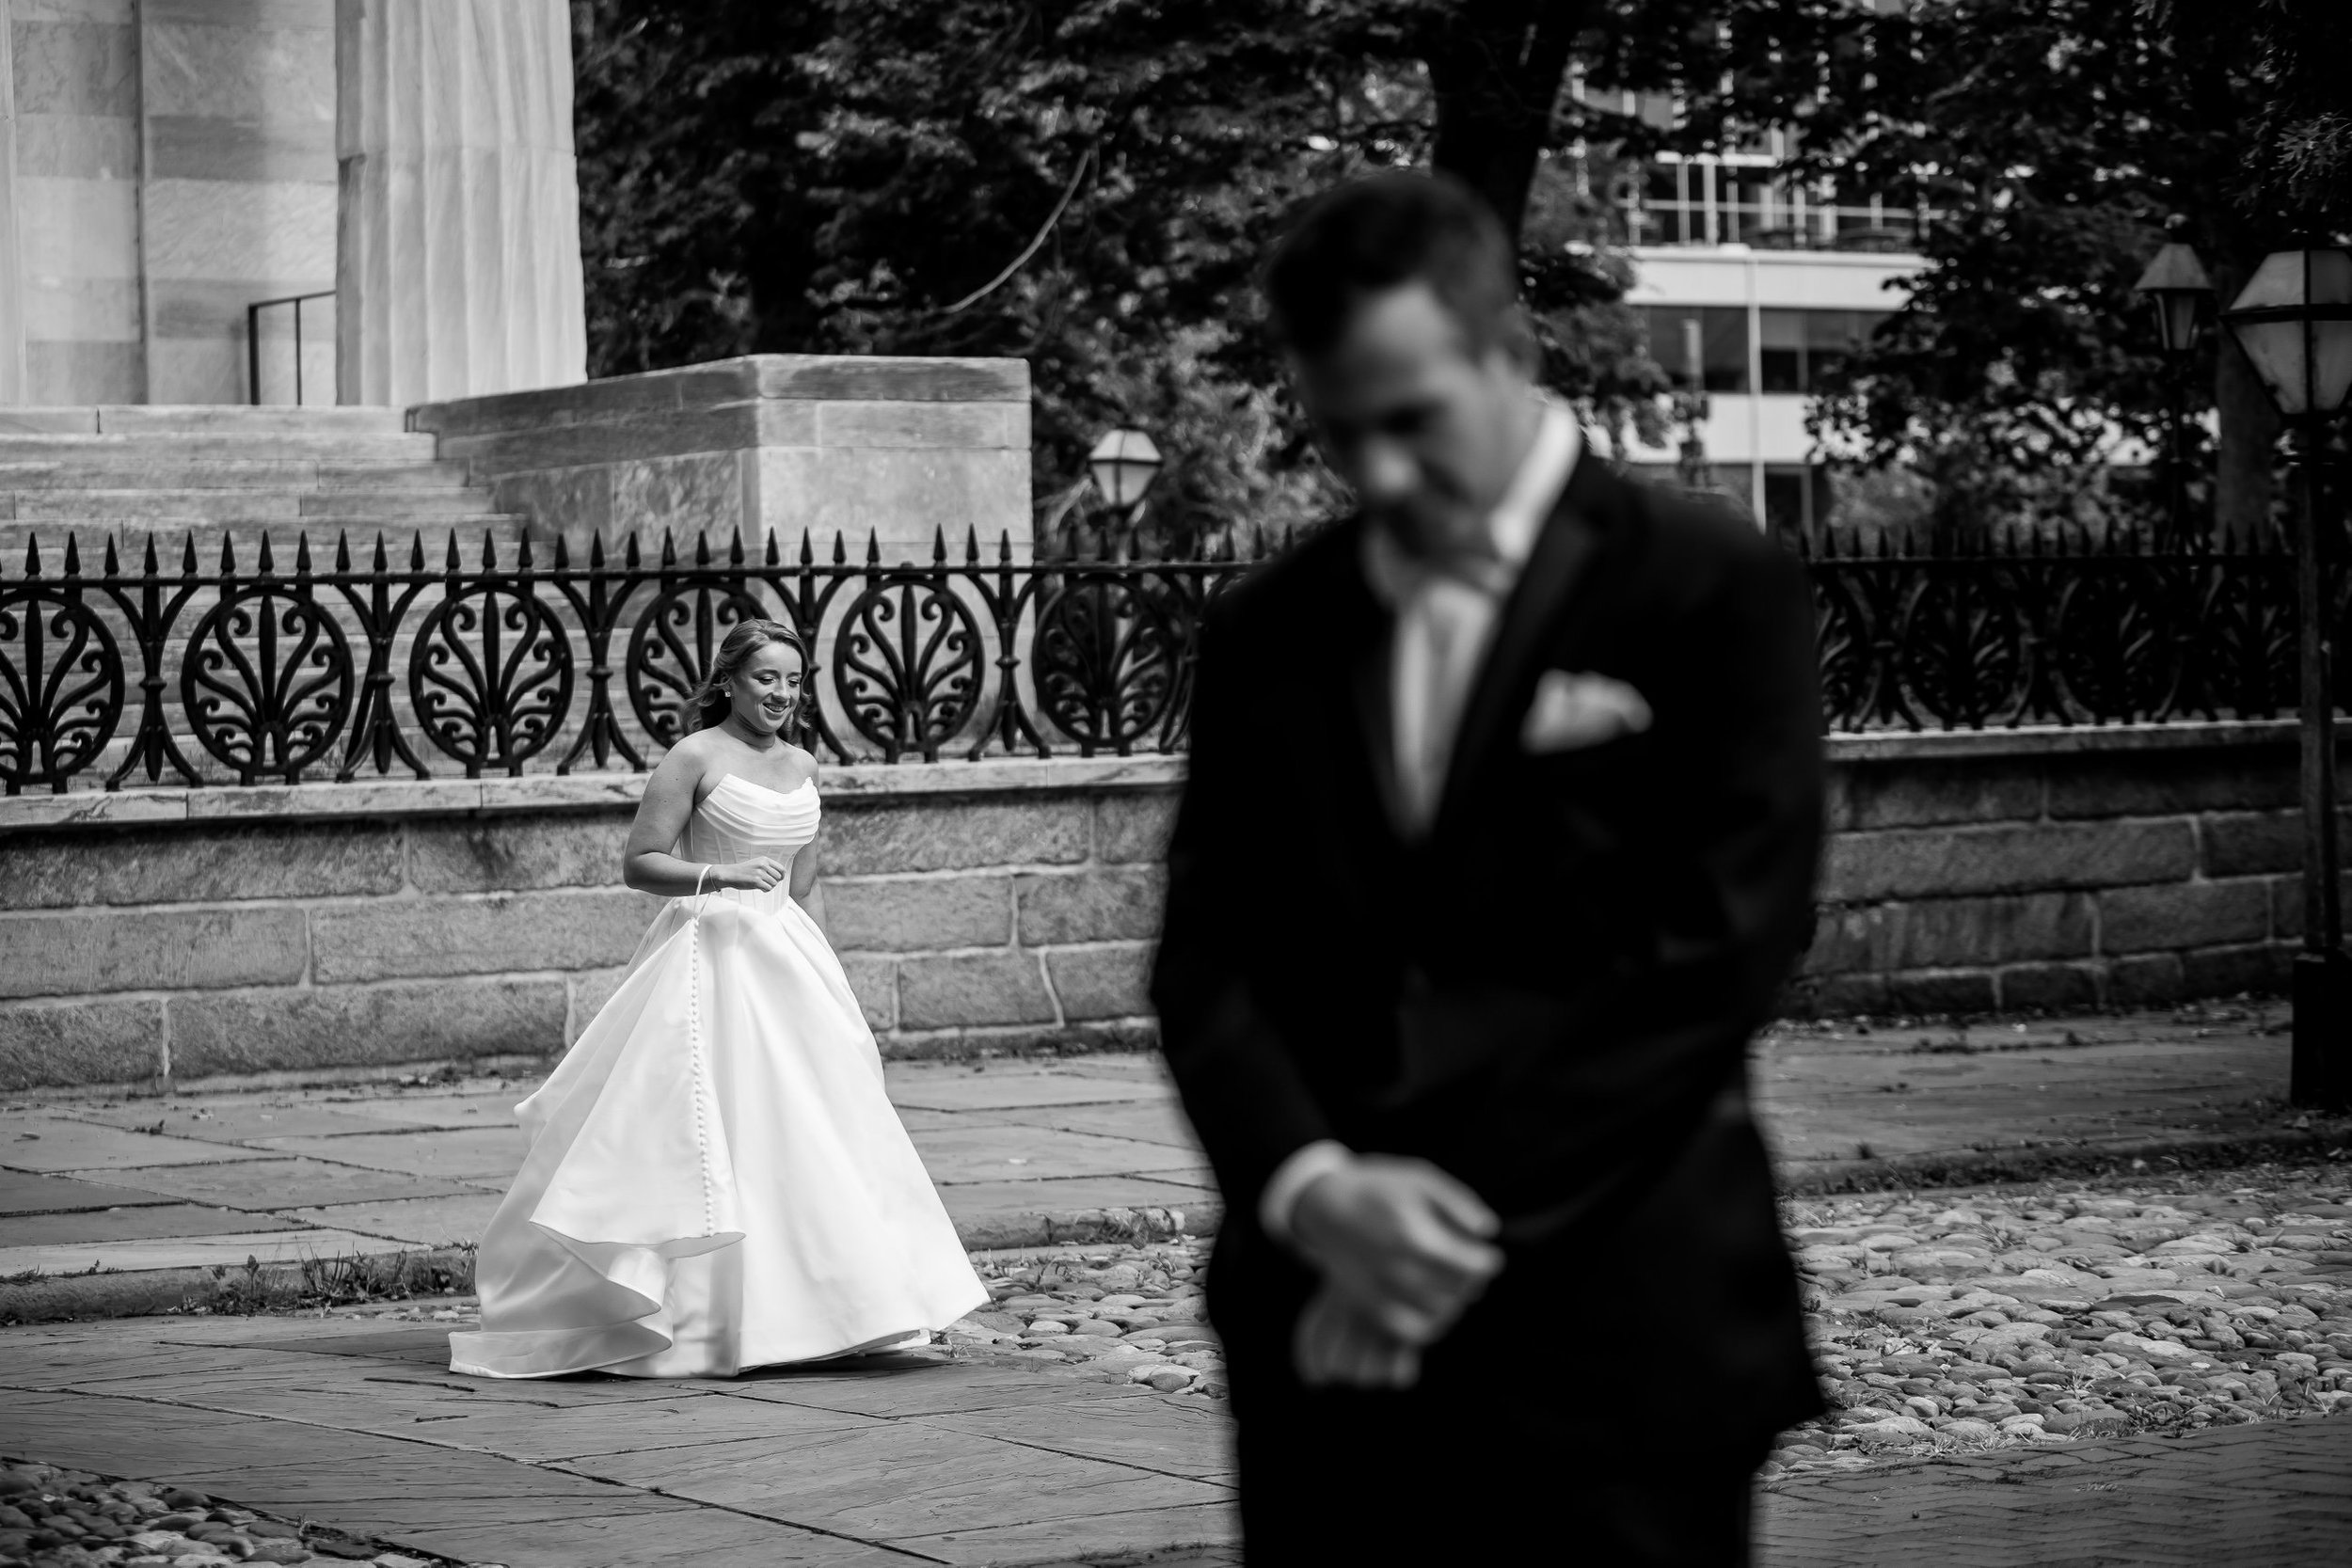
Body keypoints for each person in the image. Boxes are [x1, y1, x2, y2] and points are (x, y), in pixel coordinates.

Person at [1150, 172, 1826, 1564]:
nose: (1381, 475)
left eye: (1412, 420)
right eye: (1342, 435)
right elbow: (1210, 954)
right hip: (1320, 1354)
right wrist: (1315, 1191)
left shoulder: (1709, 583)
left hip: (1616, 1327)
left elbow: (1718, 952)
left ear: (1508, 352)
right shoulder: (1268, 630)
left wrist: (1423, 1237)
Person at [450, 619, 986, 1379]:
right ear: (729, 679)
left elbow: (806, 883)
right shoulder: (694, 756)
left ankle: (840, 1308)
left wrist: (831, 974)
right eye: (767, 677)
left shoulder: (802, 763)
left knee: (807, 1130)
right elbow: (639, 863)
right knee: (714, 1127)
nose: (782, 693)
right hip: (710, 958)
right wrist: (721, 878)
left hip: (786, 962)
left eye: (794, 680)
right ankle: (705, 1318)